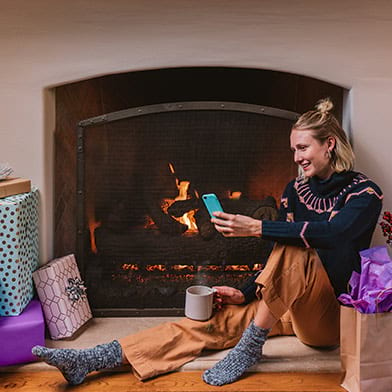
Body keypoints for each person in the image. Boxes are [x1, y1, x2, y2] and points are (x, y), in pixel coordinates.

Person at [32, 98, 383, 386]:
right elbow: (280, 255)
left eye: (303, 147)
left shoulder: (365, 194)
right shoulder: (294, 189)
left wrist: (257, 229)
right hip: (290, 306)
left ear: (329, 145)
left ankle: (249, 348)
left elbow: (335, 234)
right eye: (292, 149)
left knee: (298, 248)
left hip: (332, 316)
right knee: (208, 324)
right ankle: (94, 358)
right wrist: (245, 292)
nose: (296, 158)